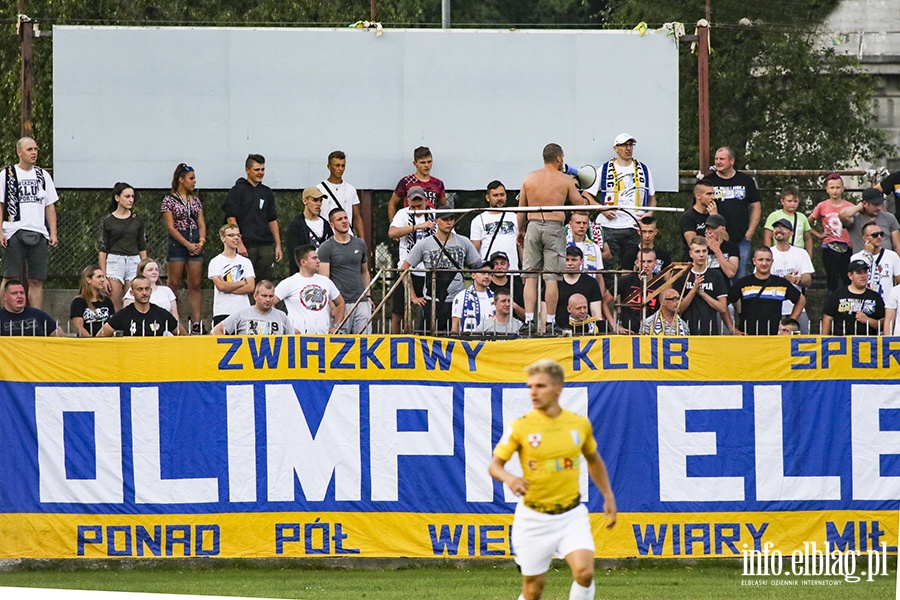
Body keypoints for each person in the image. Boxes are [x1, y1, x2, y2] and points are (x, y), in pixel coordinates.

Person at [488, 360, 616, 600]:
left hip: (571, 514)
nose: (533, 392)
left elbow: (593, 459)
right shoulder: (521, 427)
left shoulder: (578, 424)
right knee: (533, 591)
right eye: (530, 387)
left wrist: (608, 496)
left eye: (540, 386)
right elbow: (495, 466)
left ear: (558, 388)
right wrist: (510, 478)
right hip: (533, 518)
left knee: (584, 573)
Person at [517, 143, 591, 335]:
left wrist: (520, 230)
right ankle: (549, 323)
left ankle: (529, 321)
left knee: (530, 277)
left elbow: (521, 208)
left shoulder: (529, 178)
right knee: (552, 278)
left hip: (532, 225)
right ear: (559, 158)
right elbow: (579, 204)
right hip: (554, 227)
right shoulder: (564, 180)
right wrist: (582, 192)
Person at [0, 137, 59, 309]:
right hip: (14, 230)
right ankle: (4, 316)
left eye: (35, 149)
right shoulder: (7, 174)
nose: (34, 153)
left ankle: (35, 318)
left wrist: (53, 232)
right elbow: (1, 205)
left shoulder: (42, 175)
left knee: (36, 279)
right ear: (19, 152)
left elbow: (50, 206)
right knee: (10, 276)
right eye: (29, 149)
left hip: (38, 232)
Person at [400, 212, 481, 334]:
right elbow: (404, 269)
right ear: (437, 221)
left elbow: (478, 266)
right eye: (445, 219)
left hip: (457, 300)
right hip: (432, 300)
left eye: (452, 218)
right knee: (428, 339)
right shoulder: (424, 244)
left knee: (457, 338)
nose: (449, 222)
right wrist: (413, 297)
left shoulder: (463, 242)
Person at [584, 133, 656, 269]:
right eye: (624, 145)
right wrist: (602, 208)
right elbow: (587, 194)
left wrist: (649, 214)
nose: (628, 148)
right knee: (607, 266)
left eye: (630, 145)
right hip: (609, 226)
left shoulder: (643, 169)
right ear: (615, 148)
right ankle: (609, 291)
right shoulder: (604, 169)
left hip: (634, 226)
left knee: (632, 267)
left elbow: (652, 197)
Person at [221, 153, 282, 282]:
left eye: (262, 169)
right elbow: (231, 219)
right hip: (246, 245)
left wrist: (278, 245)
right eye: (256, 170)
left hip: (264, 244)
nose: (260, 173)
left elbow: (272, 219)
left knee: (264, 282)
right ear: (247, 170)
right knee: (242, 281)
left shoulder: (266, 192)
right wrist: (239, 244)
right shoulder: (237, 191)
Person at [702, 147, 761, 279]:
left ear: (732, 161)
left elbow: (756, 205)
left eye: (722, 159)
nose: (718, 162)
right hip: (716, 240)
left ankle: (739, 301)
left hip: (741, 238)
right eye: (716, 159)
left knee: (741, 275)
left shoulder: (745, 181)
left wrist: (750, 231)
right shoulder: (708, 181)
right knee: (718, 276)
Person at [161, 163, 206, 333]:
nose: (194, 181)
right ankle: (172, 320)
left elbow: (201, 223)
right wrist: (186, 244)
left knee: (195, 283)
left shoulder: (195, 200)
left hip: (195, 239)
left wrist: (200, 242)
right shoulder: (169, 200)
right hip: (178, 241)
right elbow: (170, 227)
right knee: (174, 283)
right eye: (191, 178)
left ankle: (196, 322)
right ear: (181, 180)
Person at [727, 247, 805, 336]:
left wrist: (789, 322)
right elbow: (724, 304)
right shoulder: (743, 283)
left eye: (767, 260)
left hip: (774, 336)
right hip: (748, 336)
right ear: (754, 261)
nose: (764, 263)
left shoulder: (781, 283)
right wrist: (732, 328)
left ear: (772, 262)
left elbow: (801, 300)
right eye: (760, 260)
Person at [388, 186, 434, 333]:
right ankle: (394, 341)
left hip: (427, 270)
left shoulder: (434, 214)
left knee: (428, 311)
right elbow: (392, 232)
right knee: (399, 311)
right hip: (406, 268)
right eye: (412, 206)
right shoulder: (403, 214)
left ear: (426, 201)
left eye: (419, 206)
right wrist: (418, 226)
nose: (415, 209)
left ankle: (425, 339)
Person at [318, 207, 372, 334]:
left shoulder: (360, 244)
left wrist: (368, 295)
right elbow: (324, 280)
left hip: (361, 300)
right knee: (340, 343)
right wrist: (332, 306)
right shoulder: (326, 247)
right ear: (332, 224)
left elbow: (364, 271)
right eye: (339, 219)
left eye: (345, 218)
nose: (344, 221)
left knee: (365, 341)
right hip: (341, 303)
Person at [274, 245, 345, 334]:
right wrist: (285, 326)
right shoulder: (289, 282)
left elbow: (341, 303)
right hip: (298, 339)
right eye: (314, 258)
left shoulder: (326, 281)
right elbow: (270, 303)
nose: (318, 261)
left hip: (323, 337)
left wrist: (336, 326)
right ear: (303, 262)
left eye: (318, 258)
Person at [98, 182, 147, 311]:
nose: (131, 200)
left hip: (134, 260)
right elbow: (103, 249)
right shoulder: (107, 220)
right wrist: (103, 276)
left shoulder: (138, 219)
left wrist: (144, 267)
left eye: (132, 196)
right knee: (115, 301)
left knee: (132, 299)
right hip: (115, 261)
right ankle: (116, 329)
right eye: (127, 196)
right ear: (117, 198)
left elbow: (142, 244)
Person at [809, 173, 854, 293]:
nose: (835, 191)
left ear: (843, 189)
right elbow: (807, 222)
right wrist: (819, 234)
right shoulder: (822, 206)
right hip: (829, 245)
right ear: (827, 189)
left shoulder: (850, 206)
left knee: (847, 277)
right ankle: (831, 304)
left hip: (847, 246)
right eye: (832, 187)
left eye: (838, 187)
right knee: (832, 278)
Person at [675, 236, 728, 335]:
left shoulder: (716, 275)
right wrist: (694, 290)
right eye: (697, 251)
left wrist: (702, 293)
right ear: (691, 254)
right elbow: (678, 309)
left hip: (710, 331)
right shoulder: (683, 275)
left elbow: (722, 308)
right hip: (687, 330)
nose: (701, 255)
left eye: (704, 251)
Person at [769, 218, 815, 334]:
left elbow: (808, 280)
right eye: (776, 227)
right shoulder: (767, 253)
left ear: (791, 233)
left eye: (783, 227)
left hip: (796, 307)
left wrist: (798, 280)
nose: (779, 230)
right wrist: (784, 280)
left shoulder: (801, 253)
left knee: (805, 339)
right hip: (773, 308)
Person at [557, 246, 614, 335]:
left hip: (586, 332)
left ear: (582, 261)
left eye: (574, 260)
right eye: (567, 260)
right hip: (558, 331)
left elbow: (596, 315)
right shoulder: (555, 283)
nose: (570, 263)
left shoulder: (591, 283)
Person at [98, 276, 180, 337]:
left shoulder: (161, 313)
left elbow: (183, 335)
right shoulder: (123, 315)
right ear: (132, 293)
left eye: (147, 289)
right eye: (140, 289)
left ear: (150, 291)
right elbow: (100, 336)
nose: (144, 293)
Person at [208, 224, 256, 326]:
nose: (236, 238)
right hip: (223, 311)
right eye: (231, 235)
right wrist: (242, 282)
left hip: (244, 311)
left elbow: (251, 287)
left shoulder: (246, 262)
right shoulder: (216, 262)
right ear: (223, 238)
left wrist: (227, 286)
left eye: (238, 235)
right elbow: (220, 286)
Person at [822, 259, 885, 336]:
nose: (863, 276)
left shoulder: (875, 297)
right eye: (858, 273)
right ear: (850, 276)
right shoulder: (839, 294)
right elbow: (827, 318)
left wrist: (867, 320)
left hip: (867, 343)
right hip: (841, 341)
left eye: (865, 272)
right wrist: (824, 341)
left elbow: (883, 323)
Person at [211, 280, 295, 335]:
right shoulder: (242, 314)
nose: (268, 299)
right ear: (255, 296)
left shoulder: (281, 316)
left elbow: (292, 340)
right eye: (264, 296)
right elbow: (216, 331)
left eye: (271, 296)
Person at [387, 146, 447, 221]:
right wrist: (394, 226)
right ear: (415, 163)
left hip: (431, 224)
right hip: (410, 223)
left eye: (429, 162)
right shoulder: (406, 181)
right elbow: (392, 204)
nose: (426, 165)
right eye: (422, 162)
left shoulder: (438, 183)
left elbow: (444, 207)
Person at [470, 180, 519, 270]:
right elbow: (474, 251)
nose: (499, 198)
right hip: (489, 272)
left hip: (512, 271)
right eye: (495, 195)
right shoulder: (478, 220)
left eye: (502, 195)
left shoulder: (515, 217)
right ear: (488, 198)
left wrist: (524, 271)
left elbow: (521, 246)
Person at [285, 186, 333, 275]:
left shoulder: (325, 224)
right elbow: (294, 253)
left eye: (320, 200)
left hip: (323, 271)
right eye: (315, 200)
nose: (318, 204)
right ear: (305, 201)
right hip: (304, 273)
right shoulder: (296, 225)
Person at [318, 150, 365, 241]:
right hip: (326, 236)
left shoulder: (351, 189)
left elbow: (357, 216)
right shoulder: (319, 189)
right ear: (329, 166)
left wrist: (362, 240)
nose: (340, 169)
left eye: (343, 165)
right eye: (337, 165)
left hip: (347, 236)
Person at [849, 222, 900, 303]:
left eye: (881, 234)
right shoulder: (856, 258)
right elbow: (856, 283)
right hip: (865, 303)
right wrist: (867, 254)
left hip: (887, 303)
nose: (879, 237)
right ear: (865, 238)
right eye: (875, 235)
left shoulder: (892, 256)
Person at [839, 187, 900, 253]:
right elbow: (843, 214)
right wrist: (859, 207)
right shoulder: (854, 220)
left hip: (886, 260)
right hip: (863, 261)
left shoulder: (889, 218)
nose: (879, 208)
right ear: (865, 204)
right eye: (875, 204)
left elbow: (897, 245)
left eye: (880, 204)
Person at [123, 258, 182, 325]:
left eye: (156, 270)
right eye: (150, 270)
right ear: (141, 272)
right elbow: (128, 318)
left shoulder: (167, 291)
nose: (154, 272)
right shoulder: (133, 292)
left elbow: (175, 318)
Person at [617, 248, 661, 334]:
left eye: (649, 261)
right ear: (637, 263)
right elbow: (605, 300)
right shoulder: (625, 280)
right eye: (642, 262)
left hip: (651, 333)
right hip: (627, 332)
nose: (645, 265)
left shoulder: (661, 283)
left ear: (655, 263)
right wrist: (615, 325)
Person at [762, 185, 813, 257]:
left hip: (798, 254)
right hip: (779, 253)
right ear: (782, 201)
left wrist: (809, 256)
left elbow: (808, 238)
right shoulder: (774, 216)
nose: (792, 204)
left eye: (795, 201)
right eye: (789, 201)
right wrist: (769, 255)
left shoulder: (802, 217)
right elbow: (767, 237)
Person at [70, 265, 115, 337]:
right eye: (99, 277)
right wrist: (92, 341)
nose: (102, 280)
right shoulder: (78, 302)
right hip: (87, 342)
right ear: (88, 280)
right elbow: (79, 327)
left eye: (103, 276)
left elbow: (113, 323)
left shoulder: (107, 301)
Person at [451, 261, 494, 333]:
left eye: (489, 274)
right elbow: (455, 326)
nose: (487, 276)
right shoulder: (461, 297)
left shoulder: (495, 297)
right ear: (473, 275)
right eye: (483, 273)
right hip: (469, 342)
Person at [679, 180, 717, 259]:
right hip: (694, 261)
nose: (713, 197)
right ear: (698, 196)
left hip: (714, 259)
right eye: (709, 194)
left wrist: (714, 218)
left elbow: (725, 239)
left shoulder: (715, 214)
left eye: (713, 194)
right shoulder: (688, 217)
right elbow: (693, 243)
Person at [488, 250, 525, 321]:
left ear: (508, 266)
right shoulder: (486, 285)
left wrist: (513, 305)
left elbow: (526, 317)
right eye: (496, 264)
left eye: (502, 263)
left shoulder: (518, 287)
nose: (499, 267)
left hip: (514, 327)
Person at [703, 213, 739, 284]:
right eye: (707, 228)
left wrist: (717, 250)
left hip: (723, 286)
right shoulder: (700, 247)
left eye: (713, 228)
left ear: (723, 229)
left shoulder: (732, 247)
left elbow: (731, 273)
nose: (709, 232)